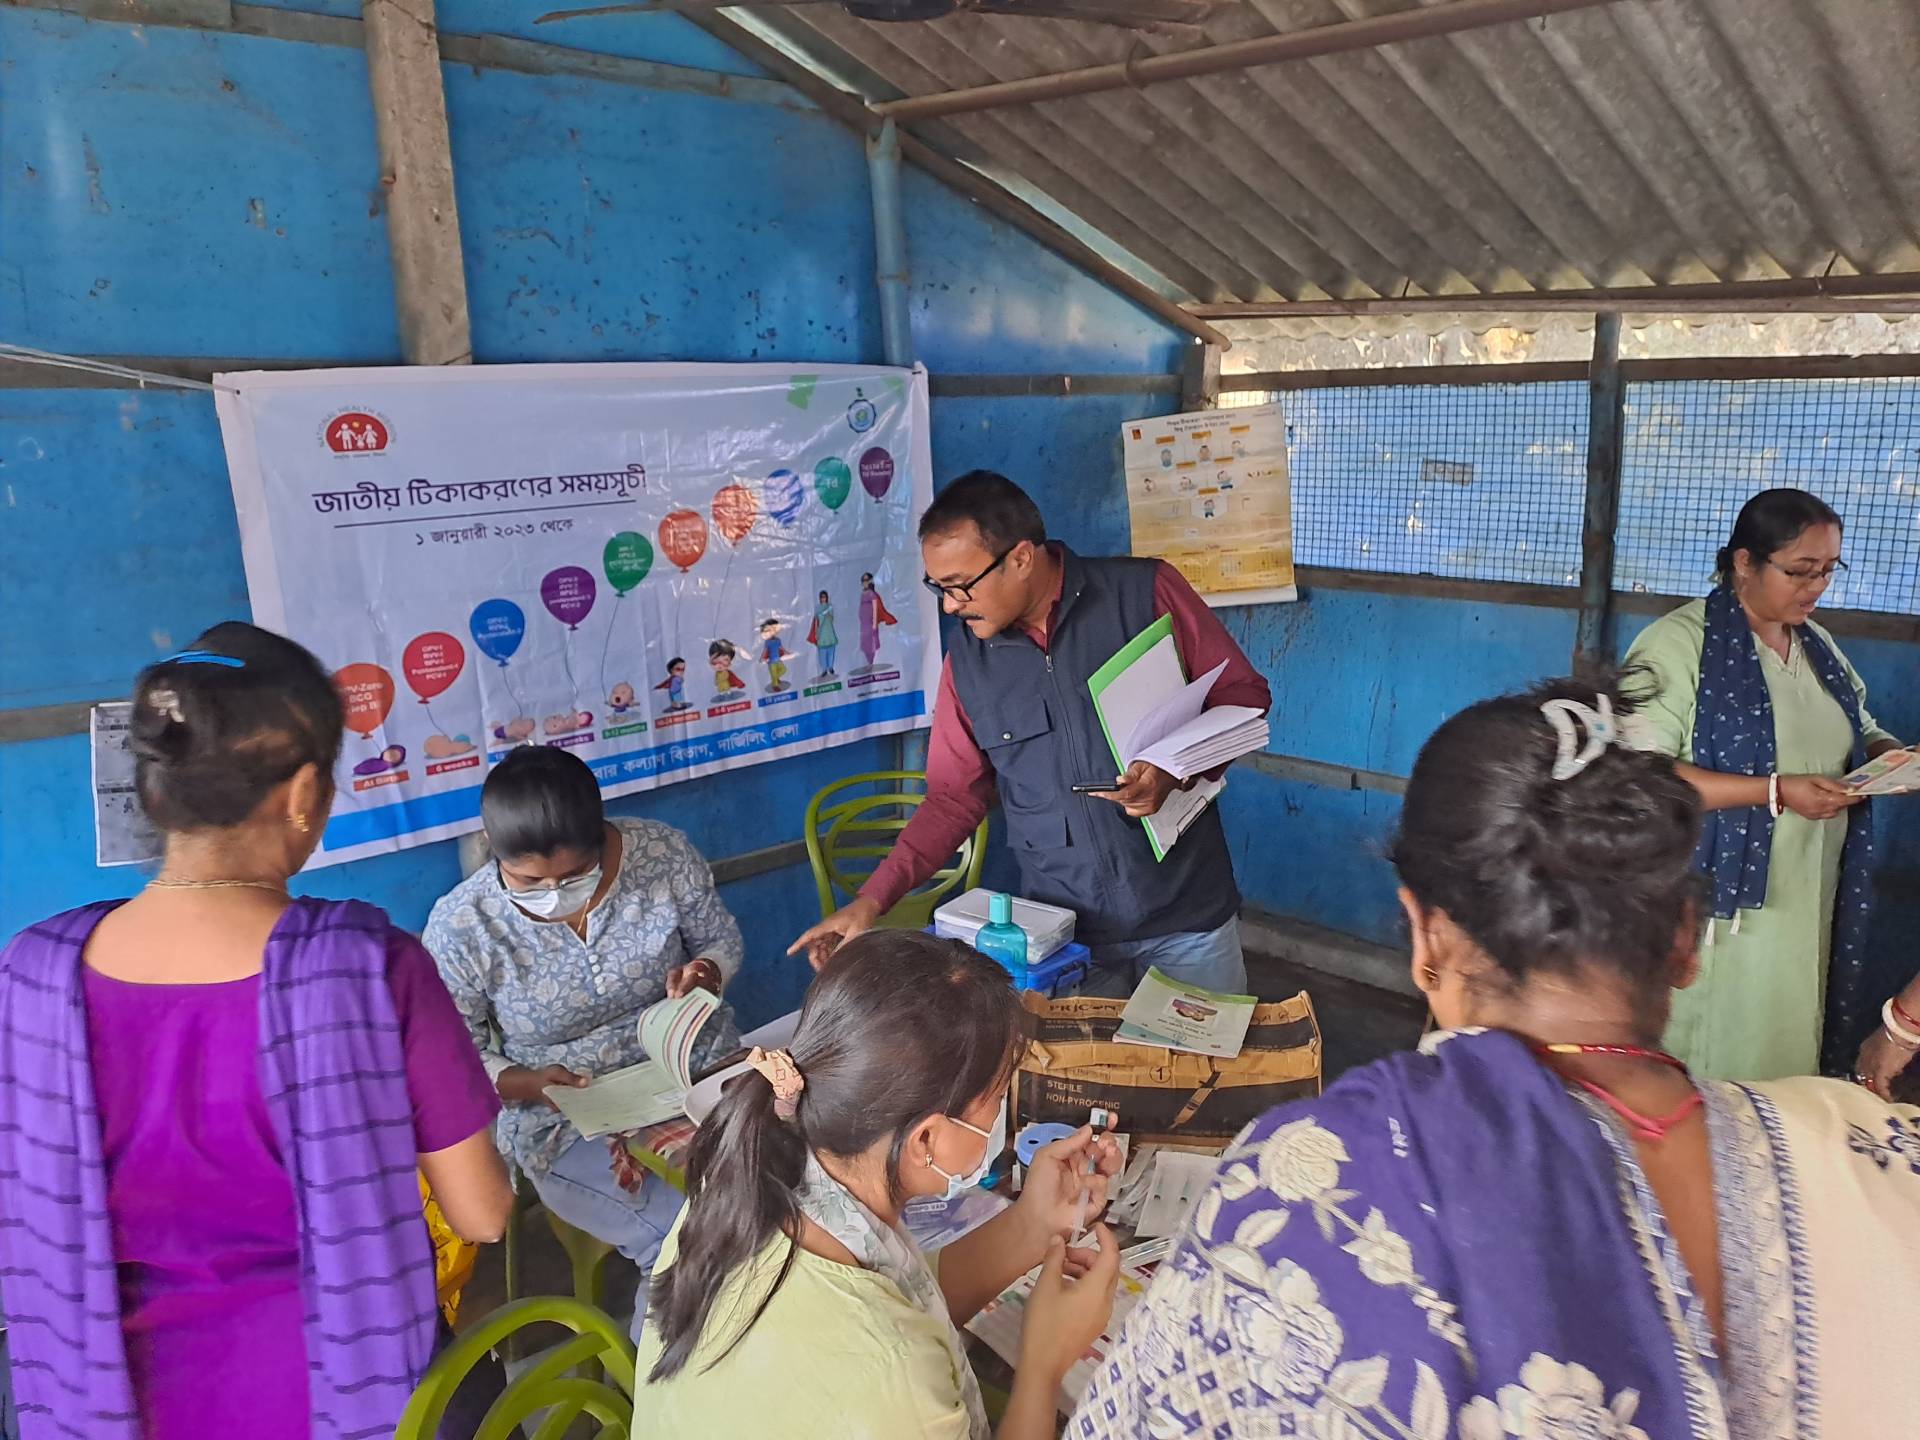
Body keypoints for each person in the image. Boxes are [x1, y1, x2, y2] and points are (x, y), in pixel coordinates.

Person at [1071, 676, 1920, 1439]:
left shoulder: (1305, 1185)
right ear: (1685, 943)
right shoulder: (1871, 1149)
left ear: (1426, 935)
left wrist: (1042, 1372)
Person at [0, 623, 512, 1440]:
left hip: (100, 1399)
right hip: (346, 1395)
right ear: (304, 793)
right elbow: (482, 1213)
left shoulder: (28, 976)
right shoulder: (369, 966)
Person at [791, 471, 1272, 997]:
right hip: (1063, 941)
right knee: (1085, 1080)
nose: (950, 605)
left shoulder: (1143, 593)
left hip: (1189, 918)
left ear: (1020, 558)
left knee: (1211, 1073)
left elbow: (1242, 696)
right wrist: (873, 900)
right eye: (939, 587)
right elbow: (952, 799)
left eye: (959, 585)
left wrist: (1174, 770)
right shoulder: (968, 665)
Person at [634, 929, 1124, 1438]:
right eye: (998, 1100)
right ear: (926, 1140)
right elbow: (889, 1347)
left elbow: (902, 1300)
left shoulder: (760, 1173)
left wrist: (1032, 1224)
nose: (1002, 1116)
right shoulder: (892, 1383)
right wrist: (1043, 1363)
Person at [424, 745, 744, 1332]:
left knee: (794, 1189)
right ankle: (660, 1406)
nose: (553, 891)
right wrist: (526, 1084)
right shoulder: (464, 926)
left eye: (573, 876)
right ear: (495, 854)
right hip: (565, 1116)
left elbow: (721, 940)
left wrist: (708, 972)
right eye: (528, 880)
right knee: (690, 1239)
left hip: (695, 1071)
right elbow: (456, 1053)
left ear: (602, 837)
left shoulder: (661, 854)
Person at [1625, 489, 1905, 1079]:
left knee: (1786, 1038)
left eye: (1829, 570)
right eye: (1800, 571)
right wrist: (1775, 792)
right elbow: (1637, 776)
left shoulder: (1817, 646)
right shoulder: (1679, 644)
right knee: (1719, 1041)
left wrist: (1892, 759)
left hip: (1808, 886)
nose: (1816, 587)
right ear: (1744, 563)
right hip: (1721, 902)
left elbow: (1862, 725)